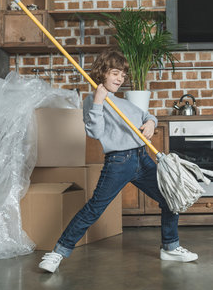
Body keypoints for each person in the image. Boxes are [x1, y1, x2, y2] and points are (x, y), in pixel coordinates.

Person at [38, 49, 198, 273]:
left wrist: (151, 123)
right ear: (102, 72)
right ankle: (58, 253)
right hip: (119, 163)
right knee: (94, 208)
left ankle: (170, 247)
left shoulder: (122, 102)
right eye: (115, 73)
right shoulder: (92, 101)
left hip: (143, 158)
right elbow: (94, 132)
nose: (120, 79)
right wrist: (98, 102)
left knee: (170, 199)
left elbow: (146, 116)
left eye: (122, 75)